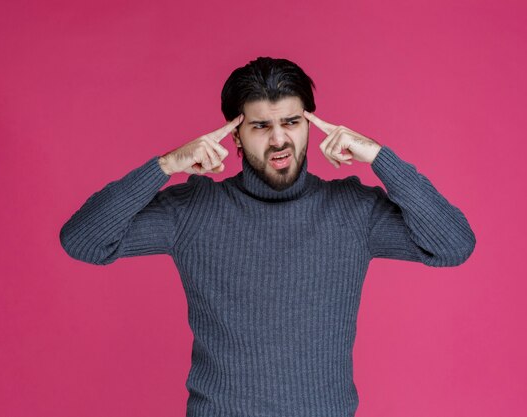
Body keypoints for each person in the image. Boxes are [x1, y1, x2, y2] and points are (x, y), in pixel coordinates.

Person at [60, 56, 476, 417]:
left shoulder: (352, 210)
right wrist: (165, 166)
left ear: (311, 125)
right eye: (261, 126)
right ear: (235, 135)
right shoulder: (193, 211)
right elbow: (83, 241)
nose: (279, 139)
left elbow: (453, 245)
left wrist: (379, 157)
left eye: (291, 122)